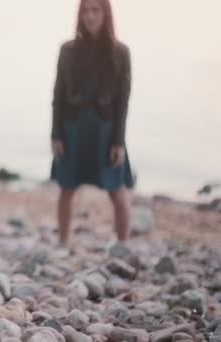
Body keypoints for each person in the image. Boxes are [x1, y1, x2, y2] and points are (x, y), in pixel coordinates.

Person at [50, 0, 133, 246]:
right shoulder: (68, 50)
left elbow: (123, 101)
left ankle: (123, 246)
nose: (90, 16)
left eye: (96, 10)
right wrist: (56, 135)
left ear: (106, 14)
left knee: (117, 190)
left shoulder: (120, 53)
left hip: (106, 130)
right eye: (85, 11)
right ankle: (63, 243)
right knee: (66, 189)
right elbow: (58, 95)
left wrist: (118, 141)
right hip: (73, 127)